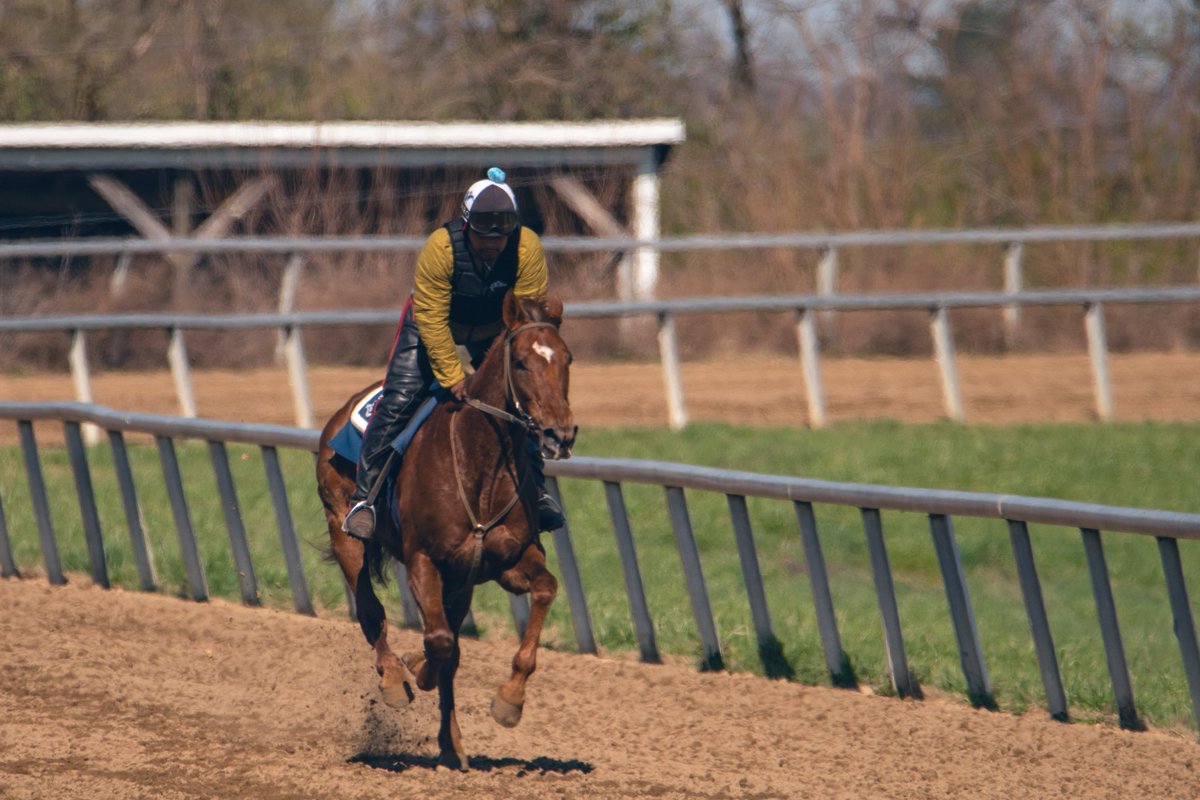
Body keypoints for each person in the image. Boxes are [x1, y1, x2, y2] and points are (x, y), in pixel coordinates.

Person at [342, 167, 566, 541]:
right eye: (482, 233)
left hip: (495, 328)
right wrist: (453, 376)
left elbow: (529, 316)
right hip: (433, 324)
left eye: (502, 234)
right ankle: (366, 499)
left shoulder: (526, 247)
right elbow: (430, 318)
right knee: (399, 400)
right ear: (466, 226)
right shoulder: (440, 248)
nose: (493, 242)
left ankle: (537, 492)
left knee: (524, 398)